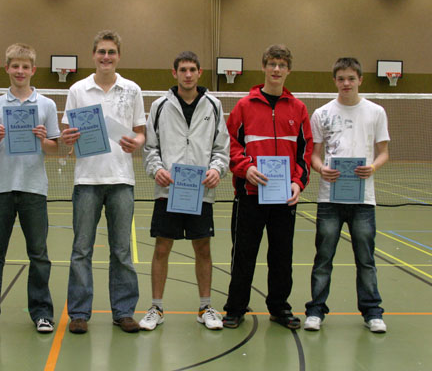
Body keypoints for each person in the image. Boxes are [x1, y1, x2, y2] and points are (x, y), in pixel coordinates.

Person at [0, 43, 59, 335]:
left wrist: (43, 139)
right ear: (7, 68)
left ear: (33, 70)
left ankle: (42, 312)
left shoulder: (46, 105)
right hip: (1, 189)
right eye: (15, 66)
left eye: (25, 67)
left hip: (34, 189)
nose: (20, 71)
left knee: (39, 255)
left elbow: (55, 149)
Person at [60, 30, 145, 334]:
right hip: (87, 180)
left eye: (111, 52)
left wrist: (137, 142)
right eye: (101, 52)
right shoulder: (78, 90)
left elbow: (140, 132)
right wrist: (68, 138)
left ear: (118, 56)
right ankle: (79, 313)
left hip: (121, 179)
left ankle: (123, 312)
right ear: (93, 54)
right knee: (81, 249)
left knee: (121, 250)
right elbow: (67, 133)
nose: (106, 57)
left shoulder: (132, 90)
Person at [223, 44, 313, 330]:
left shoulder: (298, 109)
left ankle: (279, 307)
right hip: (249, 195)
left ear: (288, 70)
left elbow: (305, 151)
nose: (276, 69)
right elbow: (229, 144)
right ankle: (235, 307)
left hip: (284, 198)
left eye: (281, 65)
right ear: (263, 67)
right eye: (272, 64)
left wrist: (298, 182)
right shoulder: (244, 106)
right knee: (243, 254)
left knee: (282, 256)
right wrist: (246, 168)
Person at [140, 51, 230, 331]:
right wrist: (157, 170)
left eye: (192, 69)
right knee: (162, 247)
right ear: (174, 72)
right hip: (168, 190)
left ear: (199, 73)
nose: (188, 74)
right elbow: (150, 148)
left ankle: (205, 307)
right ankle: (156, 307)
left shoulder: (214, 106)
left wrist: (217, 169)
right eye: (183, 70)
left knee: (202, 247)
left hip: (201, 190)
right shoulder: (159, 106)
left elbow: (222, 148)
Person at [304, 58, 390, 333]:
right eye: (341, 78)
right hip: (329, 199)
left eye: (351, 78)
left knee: (366, 259)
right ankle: (316, 310)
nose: (346, 83)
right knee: (323, 257)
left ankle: (372, 312)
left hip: (363, 200)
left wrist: (372, 167)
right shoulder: (321, 113)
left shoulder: (376, 112)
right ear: (335, 80)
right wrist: (321, 169)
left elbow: (383, 152)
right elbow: (314, 155)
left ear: (360, 79)